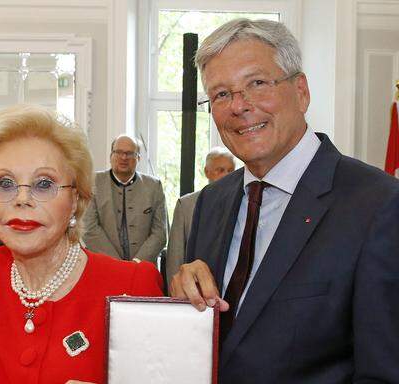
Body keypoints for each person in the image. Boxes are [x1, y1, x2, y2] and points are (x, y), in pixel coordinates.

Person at [170, 18, 399, 383]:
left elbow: (384, 372)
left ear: (302, 91)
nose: (239, 106)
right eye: (221, 94)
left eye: (257, 83)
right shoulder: (210, 203)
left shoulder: (378, 204)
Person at [0, 105, 163, 383]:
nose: (22, 199)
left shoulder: (131, 287)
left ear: (76, 200)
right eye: (5, 183)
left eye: (44, 184)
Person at [83, 135, 167, 263]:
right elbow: (89, 228)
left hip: (142, 269)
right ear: (111, 156)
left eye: (129, 153)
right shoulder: (92, 182)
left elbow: (160, 233)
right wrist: (118, 265)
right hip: (104, 266)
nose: (123, 157)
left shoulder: (154, 187)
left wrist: (137, 262)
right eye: (118, 152)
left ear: (138, 158)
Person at [165, 147, 235, 281]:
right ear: (207, 172)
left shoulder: (245, 202)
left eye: (230, 170)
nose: (226, 175)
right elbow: (175, 256)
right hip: (194, 290)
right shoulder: (185, 204)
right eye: (220, 170)